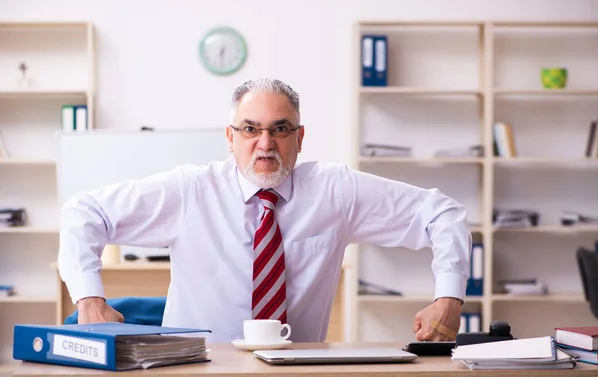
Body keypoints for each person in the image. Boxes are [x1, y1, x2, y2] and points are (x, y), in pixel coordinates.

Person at [58, 78, 471, 343]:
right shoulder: (191, 190)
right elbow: (84, 211)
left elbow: (442, 213)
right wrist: (88, 299)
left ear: (300, 138)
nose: (265, 142)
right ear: (231, 138)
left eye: (280, 129)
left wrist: (449, 298)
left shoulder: (335, 191)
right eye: (251, 129)